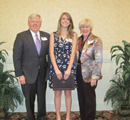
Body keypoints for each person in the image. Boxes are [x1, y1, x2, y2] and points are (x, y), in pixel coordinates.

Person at [13, 13, 50, 120]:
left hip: (42, 74)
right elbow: (17, 57)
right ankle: (30, 117)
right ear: (28, 23)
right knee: (29, 100)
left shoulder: (46, 36)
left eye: (37, 21)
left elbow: (50, 54)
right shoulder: (21, 36)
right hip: (27, 75)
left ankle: (41, 117)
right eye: (33, 21)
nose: (35, 23)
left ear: (40, 23)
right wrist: (20, 74)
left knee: (41, 99)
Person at [49, 12, 77, 120]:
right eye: (63, 18)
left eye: (67, 19)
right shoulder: (53, 34)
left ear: (70, 22)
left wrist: (69, 69)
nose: (65, 20)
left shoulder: (73, 35)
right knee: (57, 93)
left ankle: (68, 116)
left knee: (68, 93)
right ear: (60, 21)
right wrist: (56, 69)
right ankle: (58, 116)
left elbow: (73, 53)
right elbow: (51, 52)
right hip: (56, 67)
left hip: (69, 67)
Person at [76, 19, 103, 120]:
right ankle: (84, 117)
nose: (85, 29)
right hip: (78, 72)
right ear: (80, 28)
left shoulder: (96, 40)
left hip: (90, 74)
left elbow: (99, 59)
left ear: (90, 28)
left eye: (87, 26)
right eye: (83, 27)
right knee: (81, 98)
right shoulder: (78, 40)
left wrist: (94, 77)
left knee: (89, 100)